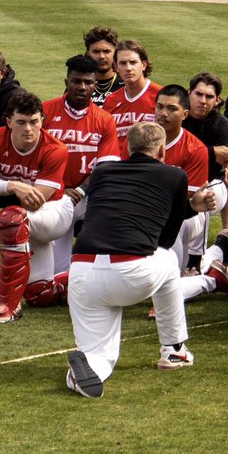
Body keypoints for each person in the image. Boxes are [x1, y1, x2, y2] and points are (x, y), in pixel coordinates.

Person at [64, 121, 195, 399]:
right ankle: (173, 350)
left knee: (99, 354)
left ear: (127, 147)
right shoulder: (175, 176)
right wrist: (192, 209)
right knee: (169, 259)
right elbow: (166, 241)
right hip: (131, 272)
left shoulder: (101, 172)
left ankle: (83, 371)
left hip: (82, 271)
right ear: (162, 149)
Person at [0, 90, 74, 324]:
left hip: (54, 212)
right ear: (8, 122)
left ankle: (8, 305)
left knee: (12, 218)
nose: (28, 128)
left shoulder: (55, 149)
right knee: (39, 295)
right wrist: (14, 186)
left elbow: (37, 200)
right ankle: (77, 280)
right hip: (28, 218)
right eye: (21, 122)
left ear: (42, 121)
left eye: (34, 122)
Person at [42, 55, 121, 270]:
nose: (82, 87)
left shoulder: (104, 119)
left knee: (101, 258)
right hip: (53, 195)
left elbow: (105, 167)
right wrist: (58, 190)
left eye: (88, 82)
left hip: (88, 196)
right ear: (66, 82)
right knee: (56, 270)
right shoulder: (45, 112)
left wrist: (78, 191)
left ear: (95, 85)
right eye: (76, 81)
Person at [154, 85, 220, 271]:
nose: (163, 113)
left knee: (173, 221)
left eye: (172, 108)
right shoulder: (142, 139)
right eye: (160, 107)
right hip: (152, 207)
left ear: (185, 114)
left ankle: (173, 277)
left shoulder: (196, 149)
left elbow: (189, 201)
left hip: (188, 213)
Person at [183, 71, 228, 241]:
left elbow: (212, 169)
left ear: (217, 100)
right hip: (179, 181)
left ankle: (196, 261)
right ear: (188, 93)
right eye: (198, 94)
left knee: (203, 196)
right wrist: (211, 151)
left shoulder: (222, 124)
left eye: (209, 96)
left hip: (212, 183)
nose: (203, 101)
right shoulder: (177, 117)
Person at [103, 38, 161, 153]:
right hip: (119, 167)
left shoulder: (160, 96)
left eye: (133, 62)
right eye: (123, 63)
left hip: (150, 167)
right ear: (116, 67)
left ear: (144, 65)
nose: (128, 68)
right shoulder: (110, 101)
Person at [83, 26, 121, 107]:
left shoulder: (126, 84)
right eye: (96, 52)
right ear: (88, 54)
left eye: (106, 51)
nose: (101, 56)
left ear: (116, 53)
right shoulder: (80, 84)